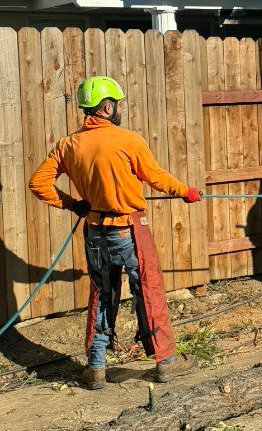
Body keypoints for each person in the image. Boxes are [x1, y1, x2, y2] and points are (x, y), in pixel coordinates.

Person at [29, 75, 202, 390]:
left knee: (102, 295)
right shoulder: (128, 140)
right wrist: (186, 191)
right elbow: (156, 177)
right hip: (129, 230)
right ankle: (166, 363)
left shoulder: (67, 146)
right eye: (117, 104)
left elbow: (38, 184)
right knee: (147, 292)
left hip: (94, 231)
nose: (119, 109)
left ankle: (95, 368)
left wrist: (72, 204)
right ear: (107, 107)